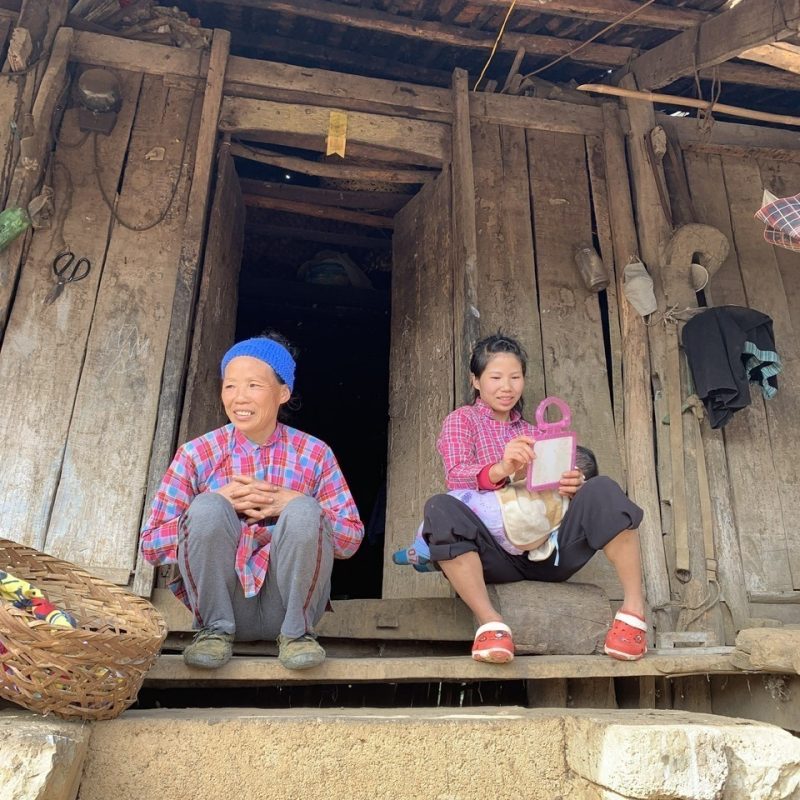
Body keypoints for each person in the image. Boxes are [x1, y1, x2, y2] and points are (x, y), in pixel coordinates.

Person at [141, 333, 363, 671]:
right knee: (207, 507)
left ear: (283, 393)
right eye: (230, 386)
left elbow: (350, 540)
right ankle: (213, 631)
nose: (239, 397)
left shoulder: (315, 454)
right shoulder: (197, 454)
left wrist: (291, 503)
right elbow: (151, 546)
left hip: (288, 606)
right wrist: (217, 502)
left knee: (305, 509)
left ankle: (297, 635)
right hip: (222, 605)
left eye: (253, 386)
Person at [422, 333, 647, 665]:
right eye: (496, 377)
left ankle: (633, 612)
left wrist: (572, 485)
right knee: (439, 507)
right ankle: (491, 624)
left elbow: (559, 496)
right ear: (476, 380)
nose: (507, 386)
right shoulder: (462, 421)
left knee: (601, 489)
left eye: (515, 377)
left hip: (548, 552)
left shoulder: (538, 432)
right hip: (492, 556)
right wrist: (502, 467)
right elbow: (456, 476)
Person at [393, 446, 599, 573]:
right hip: (515, 545)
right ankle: (427, 560)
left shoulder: (547, 484)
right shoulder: (562, 510)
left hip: (495, 537)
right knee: (450, 529)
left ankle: (420, 549)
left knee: (451, 502)